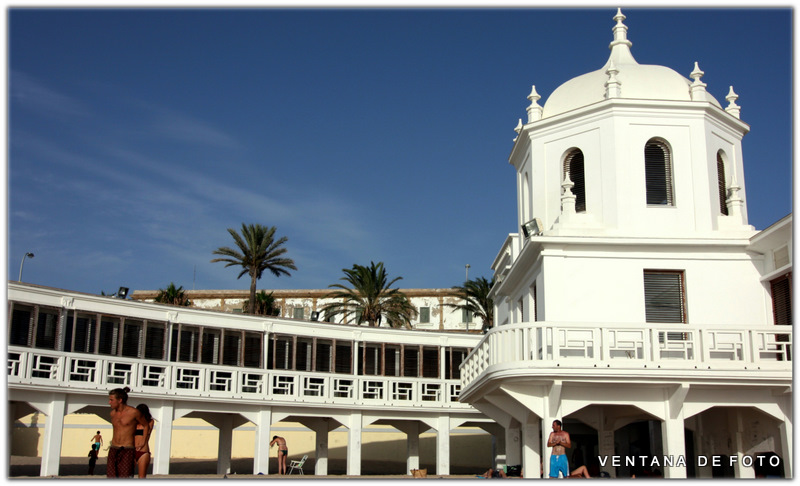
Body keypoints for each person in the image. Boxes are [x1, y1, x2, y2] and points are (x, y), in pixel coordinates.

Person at [107, 387, 150, 478]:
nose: (109, 402)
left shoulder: (134, 412)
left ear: (120, 400)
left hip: (127, 449)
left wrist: (143, 441)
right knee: (111, 477)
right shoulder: (112, 414)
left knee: (125, 477)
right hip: (114, 448)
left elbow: (146, 425)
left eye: (111, 400)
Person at [135, 403, 155, 478]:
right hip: (132, 449)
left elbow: (147, 432)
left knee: (142, 477)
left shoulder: (150, 422)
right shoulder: (134, 422)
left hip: (143, 450)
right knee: (127, 476)